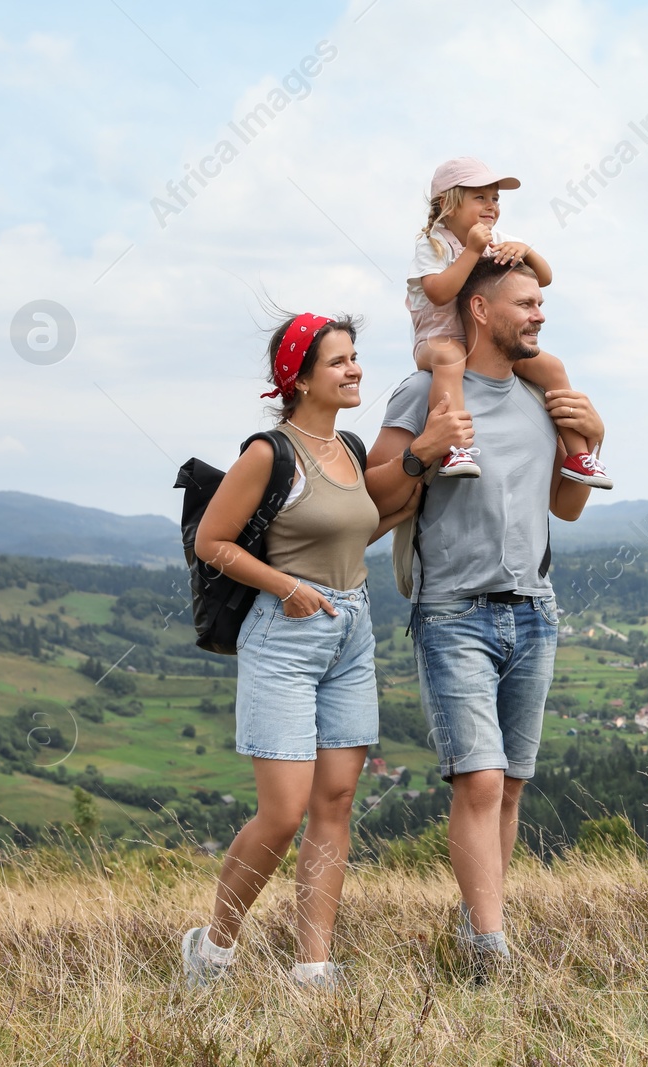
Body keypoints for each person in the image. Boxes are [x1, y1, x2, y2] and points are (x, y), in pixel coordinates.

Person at [180, 312, 444, 989]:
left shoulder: (351, 450)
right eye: (339, 361)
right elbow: (214, 542)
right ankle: (212, 949)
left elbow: (364, 526)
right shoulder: (270, 454)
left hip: (353, 630)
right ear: (298, 378)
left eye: (355, 357)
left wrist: (421, 463)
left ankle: (314, 965)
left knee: (336, 801)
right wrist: (286, 586)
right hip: (286, 635)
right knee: (284, 810)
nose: (354, 369)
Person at [369, 257, 603, 969]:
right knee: (479, 778)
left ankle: (479, 930)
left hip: (535, 610)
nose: (538, 315)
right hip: (453, 612)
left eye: (540, 305)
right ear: (479, 309)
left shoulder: (541, 395)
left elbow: (565, 506)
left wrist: (591, 441)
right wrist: (422, 454)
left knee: (508, 789)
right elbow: (372, 500)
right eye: (525, 304)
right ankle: (491, 948)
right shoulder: (421, 392)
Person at [406, 156, 612, 489]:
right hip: (439, 340)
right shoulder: (433, 243)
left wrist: (526, 251)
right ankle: (456, 448)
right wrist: (472, 251)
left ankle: (578, 456)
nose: (491, 206)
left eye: (496, 198)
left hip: (486, 341)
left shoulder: (498, 236)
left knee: (552, 368)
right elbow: (439, 293)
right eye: (480, 197)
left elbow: (544, 278)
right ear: (447, 202)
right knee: (450, 358)